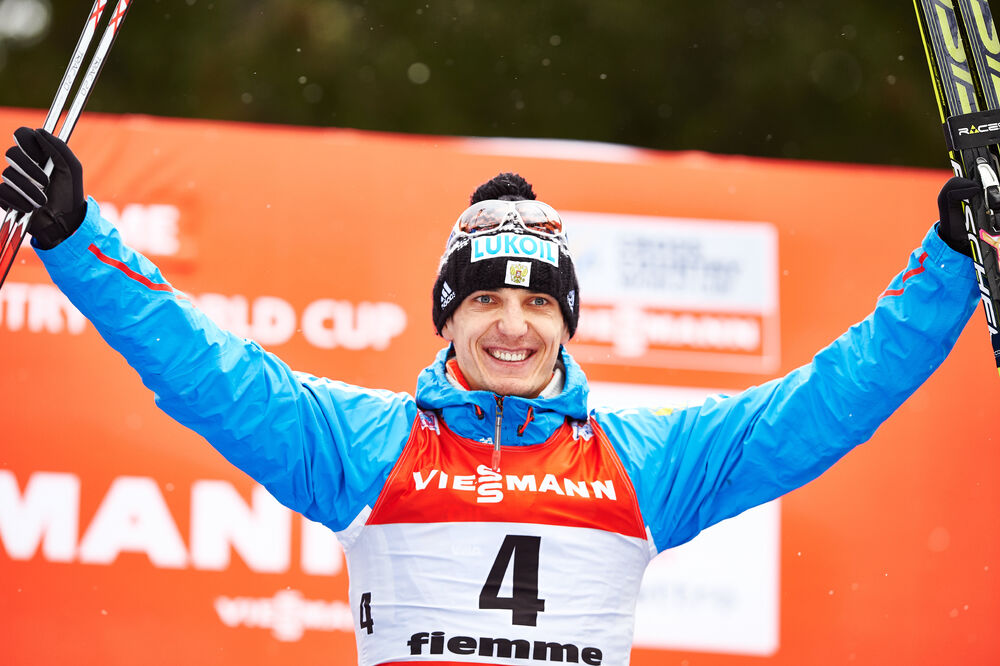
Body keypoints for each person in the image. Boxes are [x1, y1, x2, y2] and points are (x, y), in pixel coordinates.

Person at [0, 126, 981, 666]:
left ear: (565, 321)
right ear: (447, 318)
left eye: (531, 301)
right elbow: (202, 369)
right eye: (482, 299)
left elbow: (830, 402)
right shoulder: (365, 447)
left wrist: (951, 259)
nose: (509, 324)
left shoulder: (641, 462)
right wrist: (79, 234)